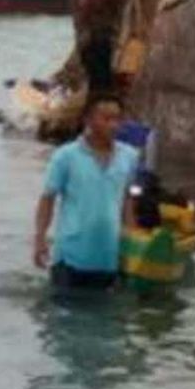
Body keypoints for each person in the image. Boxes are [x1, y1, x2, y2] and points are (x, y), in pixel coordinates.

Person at [33, 93, 141, 289]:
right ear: (88, 120)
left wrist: (132, 240)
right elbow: (48, 198)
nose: (113, 125)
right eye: (106, 119)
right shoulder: (65, 156)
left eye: (117, 119)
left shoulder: (129, 156)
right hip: (71, 257)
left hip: (109, 257)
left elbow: (127, 199)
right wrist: (40, 239)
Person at [70, 0, 139, 92]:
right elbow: (87, 2)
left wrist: (78, 26)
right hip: (96, 39)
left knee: (97, 79)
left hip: (90, 36)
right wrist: (88, 29)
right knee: (100, 83)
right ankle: (99, 108)